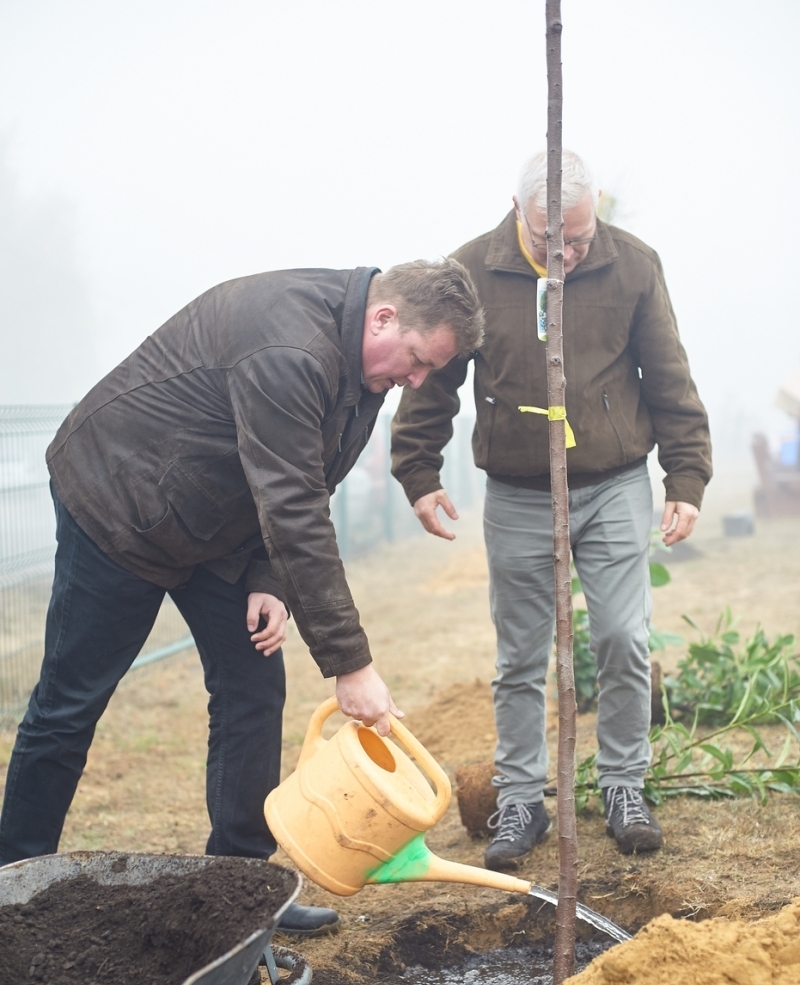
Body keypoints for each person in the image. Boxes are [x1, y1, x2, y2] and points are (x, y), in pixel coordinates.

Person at [0, 259, 484, 933]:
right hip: (121, 498)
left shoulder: (366, 368)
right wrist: (350, 663)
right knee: (69, 705)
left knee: (253, 686)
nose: (416, 381)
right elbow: (292, 506)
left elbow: (305, 479)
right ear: (384, 318)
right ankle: (13, 892)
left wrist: (266, 579)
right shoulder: (290, 347)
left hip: (213, 517)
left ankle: (240, 891)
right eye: (417, 361)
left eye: (429, 370)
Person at [391, 151, 712, 870]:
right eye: (548, 239)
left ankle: (625, 784)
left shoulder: (633, 265)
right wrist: (417, 469)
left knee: (625, 638)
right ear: (517, 210)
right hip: (517, 492)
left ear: (595, 211)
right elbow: (431, 379)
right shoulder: (471, 270)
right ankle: (521, 800)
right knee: (520, 656)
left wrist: (685, 477)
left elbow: (669, 377)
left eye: (578, 235)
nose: (565, 251)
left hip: (615, 484)